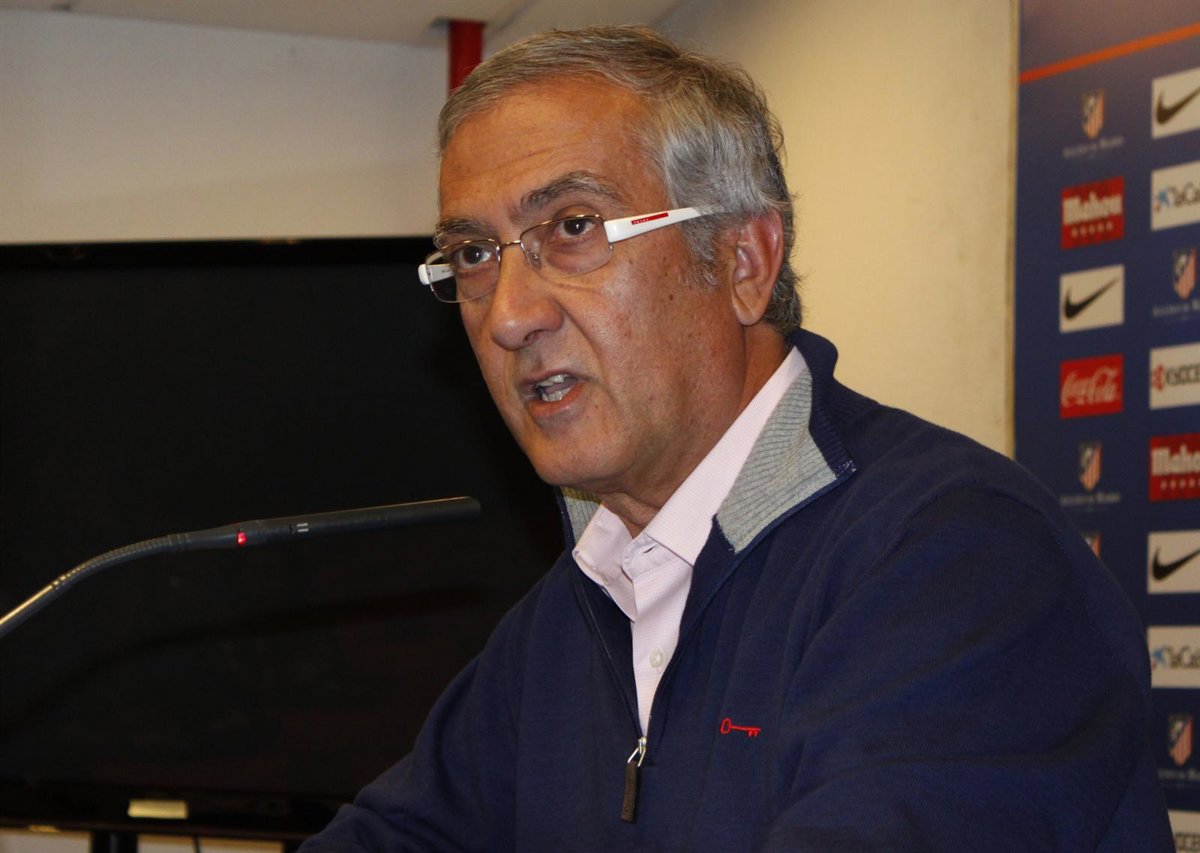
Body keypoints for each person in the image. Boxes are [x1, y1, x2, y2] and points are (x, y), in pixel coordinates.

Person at [300, 25, 1172, 851]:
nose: (509, 315)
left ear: (743, 262)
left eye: (573, 228)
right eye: (474, 255)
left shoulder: (962, 558)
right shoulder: (570, 613)